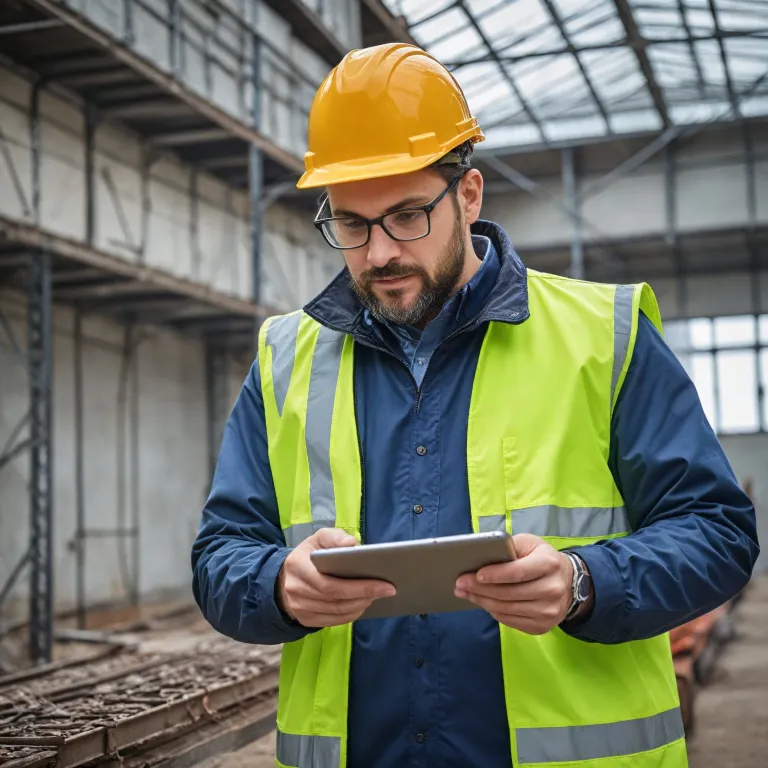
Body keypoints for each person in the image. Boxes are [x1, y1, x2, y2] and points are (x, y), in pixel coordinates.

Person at [191, 43, 759, 768]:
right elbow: (218, 557)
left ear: (468, 195)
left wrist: (586, 583)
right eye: (351, 224)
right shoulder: (284, 358)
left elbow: (718, 533)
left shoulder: (602, 336)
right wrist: (275, 583)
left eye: (405, 216)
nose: (378, 254)